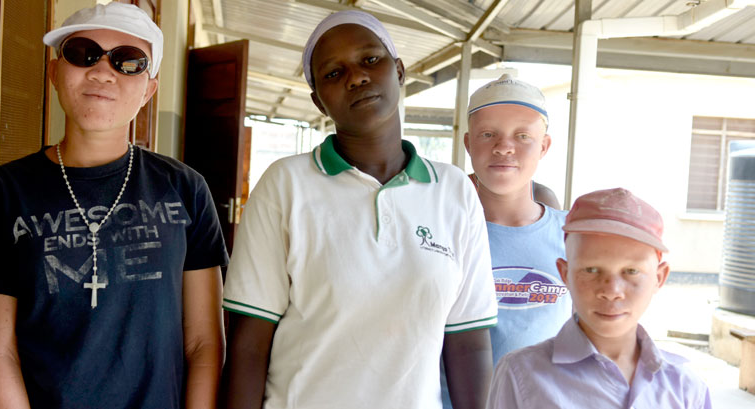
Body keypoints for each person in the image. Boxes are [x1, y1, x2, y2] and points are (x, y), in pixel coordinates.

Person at [221, 10, 497, 409]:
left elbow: (468, 343)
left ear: (399, 70)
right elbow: (248, 346)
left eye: (370, 59)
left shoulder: (453, 191)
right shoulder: (286, 185)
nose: (357, 77)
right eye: (334, 73)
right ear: (319, 100)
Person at [0, 3, 227, 408]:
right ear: (54, 72)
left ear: (149, 89)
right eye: (83, 54)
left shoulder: (185, 189)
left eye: (128, 62)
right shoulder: (4, 191)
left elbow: (203, 342)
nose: (101, 72)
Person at [488, 188, 712, 408]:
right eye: (592, 270)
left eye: (631, 271)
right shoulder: (522, 376)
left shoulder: (685, 388)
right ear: (565, 274)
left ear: (659, 278)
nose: (611, 290)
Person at [441, 74, 572, 408]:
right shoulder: (438, 230)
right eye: (488, 134)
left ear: (544, 146)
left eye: (523, 135)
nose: (504, 146)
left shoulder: (575, 236)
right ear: (468, 144)